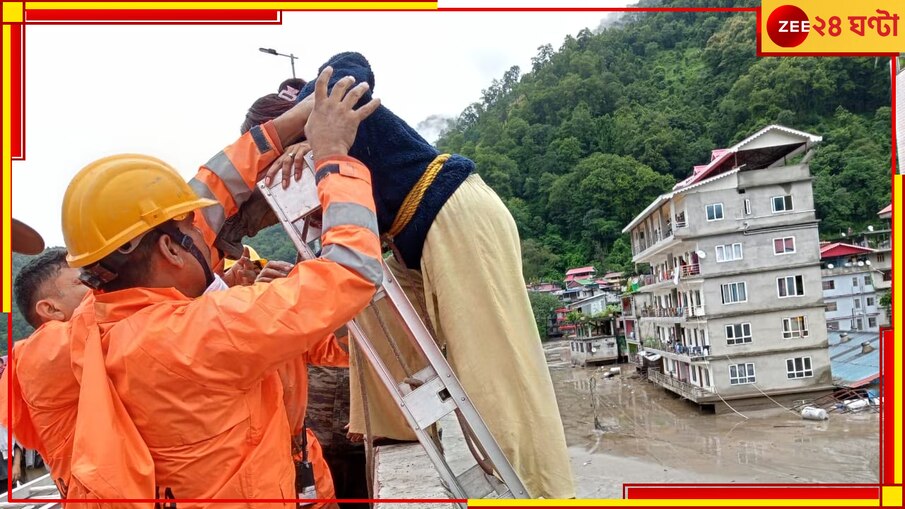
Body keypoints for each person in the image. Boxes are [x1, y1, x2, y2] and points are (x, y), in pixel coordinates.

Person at [4, 67, 380, 505]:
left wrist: (286, 124)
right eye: (192, 231)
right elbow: (351, 270)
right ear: (170, 249)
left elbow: (207, 194)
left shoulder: (53, 349)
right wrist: (333, 157)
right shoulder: (207, 328)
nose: (209, 236)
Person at [244, 52, 575, 499]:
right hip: (412, 246)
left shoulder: (328, 109)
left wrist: (315, 128)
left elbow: (353, 63)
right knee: (366, 306)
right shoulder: (315, 164)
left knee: (495, 371)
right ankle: (395, 426)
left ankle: (542, 491)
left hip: (453, 213)